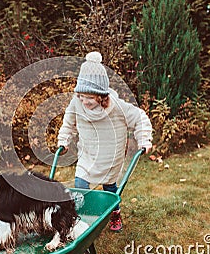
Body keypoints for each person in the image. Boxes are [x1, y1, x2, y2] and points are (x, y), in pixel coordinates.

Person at [57, 51, 152, 232]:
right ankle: (80, 221)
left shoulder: (116, 106)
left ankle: (114, 213)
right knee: (80, 187)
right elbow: (68, 122)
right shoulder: (77, 103)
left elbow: (139, 118)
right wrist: (63, 140)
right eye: (81, 96)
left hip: (111, 156)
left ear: (101, 95)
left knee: (110, 188)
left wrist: (144, 139)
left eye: (90, 98)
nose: (84, 101)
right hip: (88, 154)